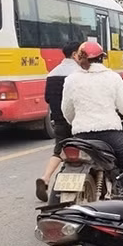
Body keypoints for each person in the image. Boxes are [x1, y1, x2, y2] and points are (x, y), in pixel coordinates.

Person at [61, 41, 123, 200]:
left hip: (81, 137)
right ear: (102, 58)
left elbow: (67, 111)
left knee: (65, 166)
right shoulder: (112, 77)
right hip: (110, 135)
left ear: (79, 58)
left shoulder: (71, 79)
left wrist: (79, 122)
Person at [36, 41, 81, 202]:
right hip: (79, 122)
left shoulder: (52, 73)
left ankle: (46, 177)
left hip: (59, 120)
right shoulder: (79, 73)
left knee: (59, 151)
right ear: (75, 54)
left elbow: (48, 98)